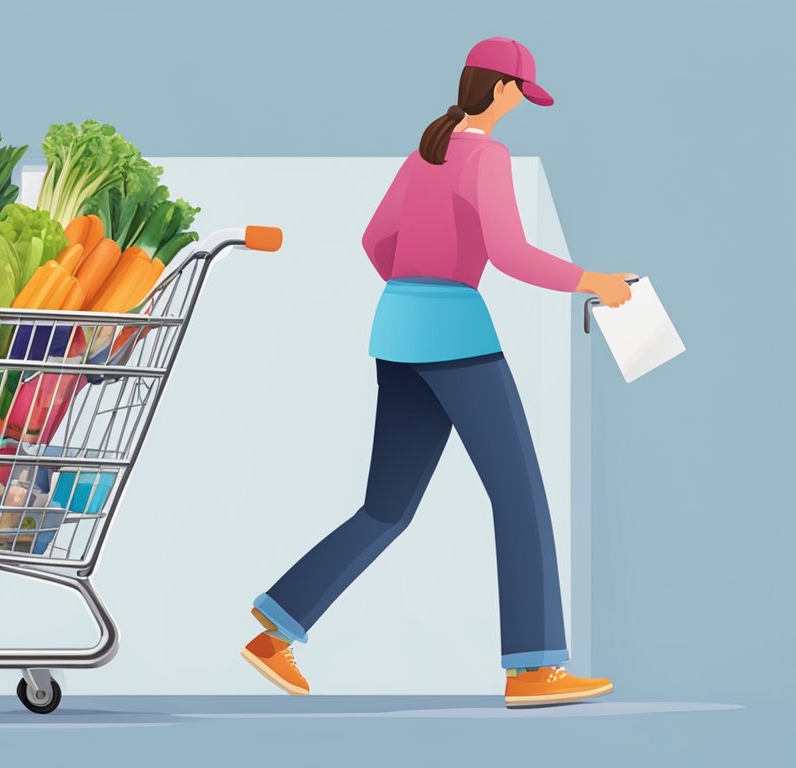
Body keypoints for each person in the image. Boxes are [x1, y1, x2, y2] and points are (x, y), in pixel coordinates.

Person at [241, 37, 633, 708]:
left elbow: (375, 241)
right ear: (503, 88)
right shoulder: (486, 155)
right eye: (521, 94)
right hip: (456, 338)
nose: (520, 106)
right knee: (520, 498)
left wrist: (413, 290)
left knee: (385, 508)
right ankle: (533, 667)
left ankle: (276, 629)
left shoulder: (426, 151)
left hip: (396, 333)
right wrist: (592, 280)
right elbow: (509, 253)